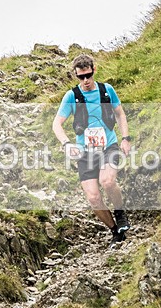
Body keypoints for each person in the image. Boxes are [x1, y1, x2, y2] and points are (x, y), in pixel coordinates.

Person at [52, 54, 132, 243]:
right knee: (93, 198)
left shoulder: (106, 90)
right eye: (81, 77)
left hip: (108, 145)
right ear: (76, 75)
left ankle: (120, 213)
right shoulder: (72, 96)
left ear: (94, 70)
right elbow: (57, 124)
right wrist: (66, 143)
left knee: (108, 181)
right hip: (85, 152)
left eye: (88, 75)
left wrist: (125, 138)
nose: (85, 81)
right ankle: (115, 231)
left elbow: (120, 114)